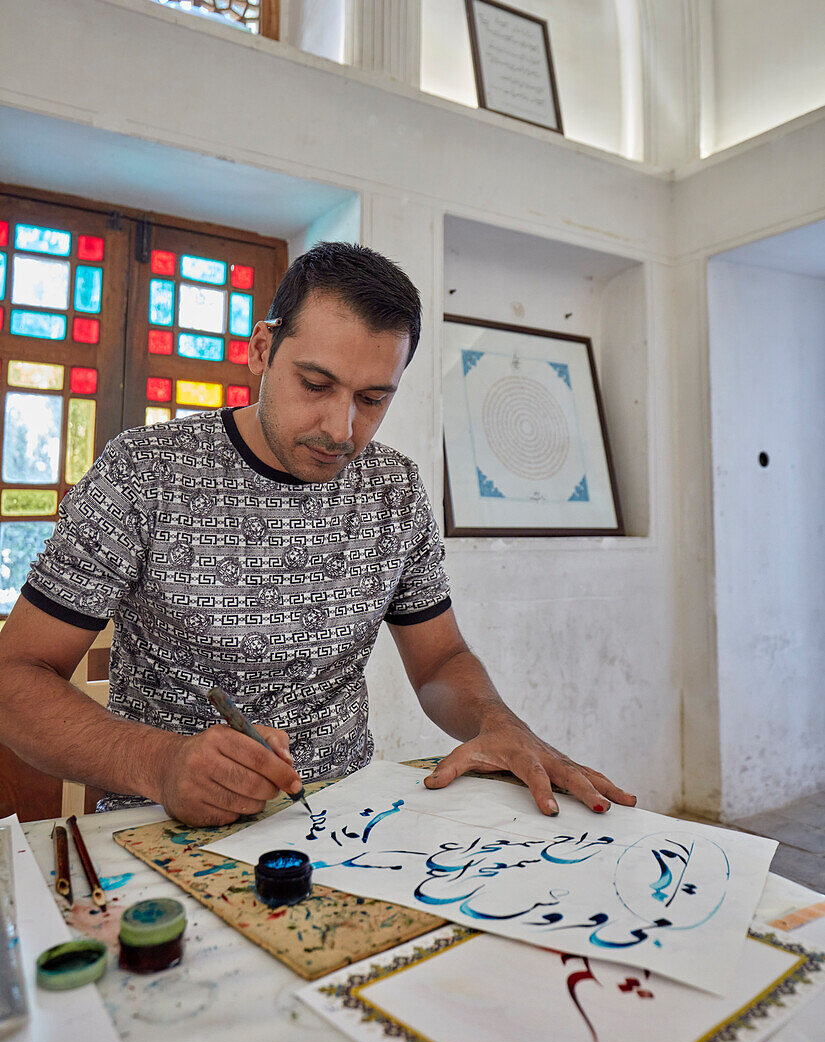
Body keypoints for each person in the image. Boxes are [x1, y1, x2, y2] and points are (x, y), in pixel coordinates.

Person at [0, 243, 635, 826]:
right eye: (315, 385)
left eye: (373, 399)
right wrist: (160, 764)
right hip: (161, 826)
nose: (341, 427)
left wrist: (497, 723)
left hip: (346, 824)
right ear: (260, 350)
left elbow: (440, 661)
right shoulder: (145, 472)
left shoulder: (392, 490)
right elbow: (14, 676)